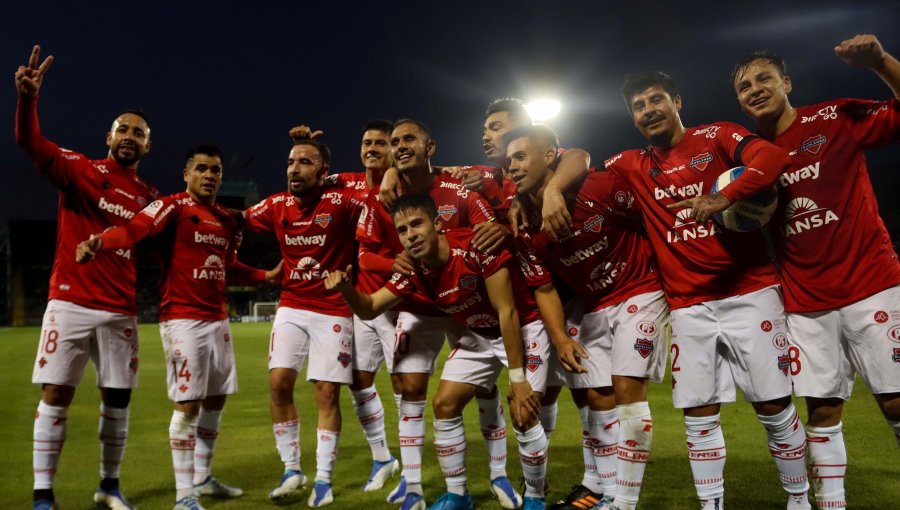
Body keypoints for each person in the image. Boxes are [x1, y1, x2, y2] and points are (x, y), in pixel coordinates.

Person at [731, 34, 900, 510]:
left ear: (787, 82)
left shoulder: (834, 118)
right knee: (822, 410)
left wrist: (882, 63)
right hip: (805, 303)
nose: (755, 89)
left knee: (895, 401)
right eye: (745, 86)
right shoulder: (747, 156)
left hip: (874, 287)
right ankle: (830, 503)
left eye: (765, 78)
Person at [77, 144, 276, 510]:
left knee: (216, 398)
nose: (210, 175)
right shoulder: (172, 207)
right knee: (188, 404)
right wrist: (101, 242)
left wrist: (267, 274)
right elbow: (135, 229)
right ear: (187, 174)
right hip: (183, 320)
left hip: (218, 319)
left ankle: (201, 477)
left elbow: (228, 266)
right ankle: (184, 495)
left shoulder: (227, 220)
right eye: (201, 168)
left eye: (215, 170)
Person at [326, 192, 553, 510]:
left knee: (523, 412)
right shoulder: (414, 270)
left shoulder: (475, 247)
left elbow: (508, 312)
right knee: (444, 405)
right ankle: (459, 496)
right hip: (479, 336)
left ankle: (534, 497)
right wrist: (346, 289)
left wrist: (517, 379)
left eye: (417, 224)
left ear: (437, 223)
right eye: (402, 230)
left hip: (522, 329)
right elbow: (370, 307)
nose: (411, 235)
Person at [15, 45, 158, 510]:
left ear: (148, 145)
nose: (130, 136)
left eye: (138, 132)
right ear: (109, 135)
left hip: (119, 310)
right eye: (123, 129)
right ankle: (42, 496)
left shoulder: (149, 196)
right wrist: (28, 100)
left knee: (117, 402)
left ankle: (108, 487)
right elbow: (31, 144)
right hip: (70, 302)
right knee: (56, 395)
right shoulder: (81, 170)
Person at [358, 119, 520, 509]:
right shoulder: (382, 197)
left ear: (431, 147)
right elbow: (364, 255)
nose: (399, 146)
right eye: (394, 142)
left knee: (482, 387)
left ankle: (499, 474)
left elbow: (489, 232)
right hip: (416, 304)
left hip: (464, 306)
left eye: (408, 139)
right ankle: (413, 487)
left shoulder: (458, 186)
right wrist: (392, 263)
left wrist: (501, 229)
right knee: (409, 389)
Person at [507, 125, 669, 510]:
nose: (511, 166)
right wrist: (561, 337)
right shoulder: (524, 224)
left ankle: (624, 503)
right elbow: (544, 287)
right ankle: (606, 491)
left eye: (520, 156)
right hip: (594, 303)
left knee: (627, 391)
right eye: (508, 160)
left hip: (641, 289)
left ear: (550, 156)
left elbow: (649, 219)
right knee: (597, 396)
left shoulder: (597, 187)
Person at [243, 136, 365, 508]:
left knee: (327, 392)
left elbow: (377, 197)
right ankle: (292, 469)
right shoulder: (276, 205)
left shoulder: (342, 202)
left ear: (324, 172)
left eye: (305, 162)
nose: (295, 169)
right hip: (292, 304)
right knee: (279, 383)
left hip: (333, 307)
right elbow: (237, 219)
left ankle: (324, 480)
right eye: (291, 162)